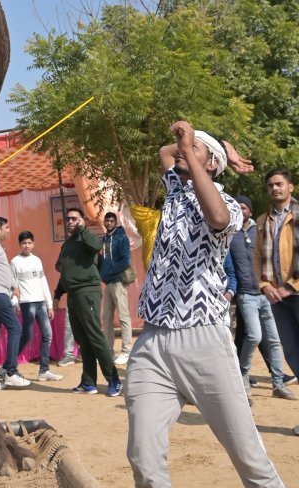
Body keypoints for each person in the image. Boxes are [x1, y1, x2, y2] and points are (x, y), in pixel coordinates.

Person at [126, 120, 285, 488]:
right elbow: (166, 152)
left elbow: (217, 218)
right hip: (153, 342)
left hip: (203, 340)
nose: (182, 150)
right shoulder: (176, 190)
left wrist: (205, 151)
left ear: (210, 164)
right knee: (143, 457)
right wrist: (204, 144)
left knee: (248, 456)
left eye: (194, 149)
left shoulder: (224, 202)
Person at [229, 194, 295, 401]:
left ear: (249, 210)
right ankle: (243, 376)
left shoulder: (260, 228)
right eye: (237, 208)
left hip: (268, 294)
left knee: (275, 340)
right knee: (254, 336)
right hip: (246, 294)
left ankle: (278, 383)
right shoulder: (229, 234)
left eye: (244, 208)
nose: (241, 211)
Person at [57, 207, 121, 397]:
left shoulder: (88, 238)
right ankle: (88, 383)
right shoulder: (68, 244)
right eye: (67, 219)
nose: (70, 222)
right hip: (73, 294)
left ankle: (114, 379)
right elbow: (65, 271)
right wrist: (57, 294)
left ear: (82, 220)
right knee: (83, 340)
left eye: (74, 219)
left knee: (94, 336)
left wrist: (83, 229)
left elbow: (96, 247)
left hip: (88, 291)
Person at [255, 168, 299, 385]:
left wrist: (291, 287)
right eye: (271, 185)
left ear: (290, 187)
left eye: (279, 184)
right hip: (277, 298)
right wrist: (264, 285)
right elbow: (256, 257)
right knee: (291, 351)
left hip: (295, 292)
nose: (275, 188)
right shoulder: (263, 221)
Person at [0, 217, 30, 389]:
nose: (9, 230)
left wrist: (13, 285)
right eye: (7, 227)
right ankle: (10, 372)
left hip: (0, 292)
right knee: (16, 329)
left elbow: (1, 271)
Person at [10, 231, 62, 381]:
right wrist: (15, 303)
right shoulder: (15, 262)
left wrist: (49, 304)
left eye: (29, 242)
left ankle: (44, 371)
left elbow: (43, 282)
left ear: (33, 243)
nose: (27, 245)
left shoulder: (37, 260)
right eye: (24, 243)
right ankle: (8, 366)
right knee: (26, 336)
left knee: (47, 335)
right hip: (27, 304)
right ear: (19, 244)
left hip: (40, 303)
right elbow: (13, 286)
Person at [99, 212, 133, 366]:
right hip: (107, 283)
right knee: (106, 318)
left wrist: (110, 271)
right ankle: (109, 351)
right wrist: (103, 273)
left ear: (115, 222)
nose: (109, 223)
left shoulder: (121, 238)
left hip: (118, 281)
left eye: (112, 220)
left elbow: (125, 261)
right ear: (104, 222)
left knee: (123, 317)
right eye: (107, 220)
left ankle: (127, 350)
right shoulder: (104, 238)